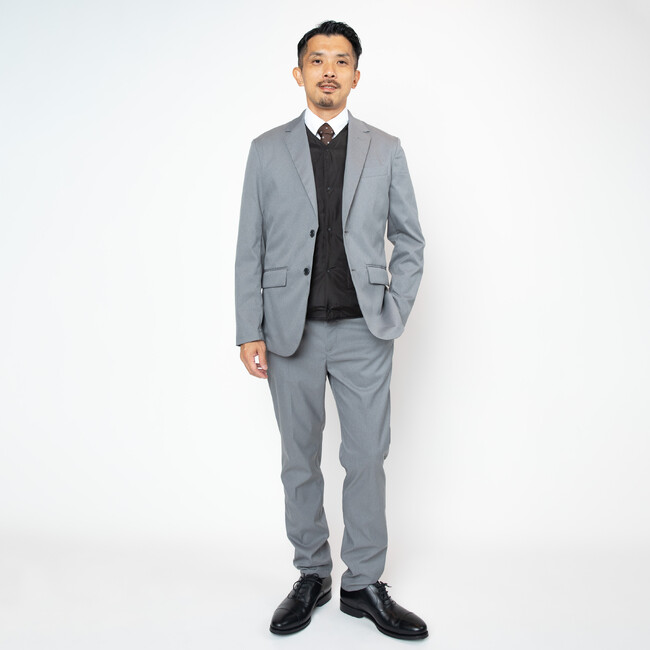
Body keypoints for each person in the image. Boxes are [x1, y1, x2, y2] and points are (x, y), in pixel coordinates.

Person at [235, 20, 427, 640]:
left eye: (340, 61)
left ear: (355, 76)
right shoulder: (266, 150)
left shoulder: (385, 148)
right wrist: (248, 328)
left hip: (363, 331)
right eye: (317, 60)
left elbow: (410, 241)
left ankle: (363, 583)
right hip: (287, 333)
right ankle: (312, 573)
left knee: (366, 457)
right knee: (299, 460)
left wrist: (394, 308)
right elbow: (250, 245)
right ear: (299, 73)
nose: (328, 71)